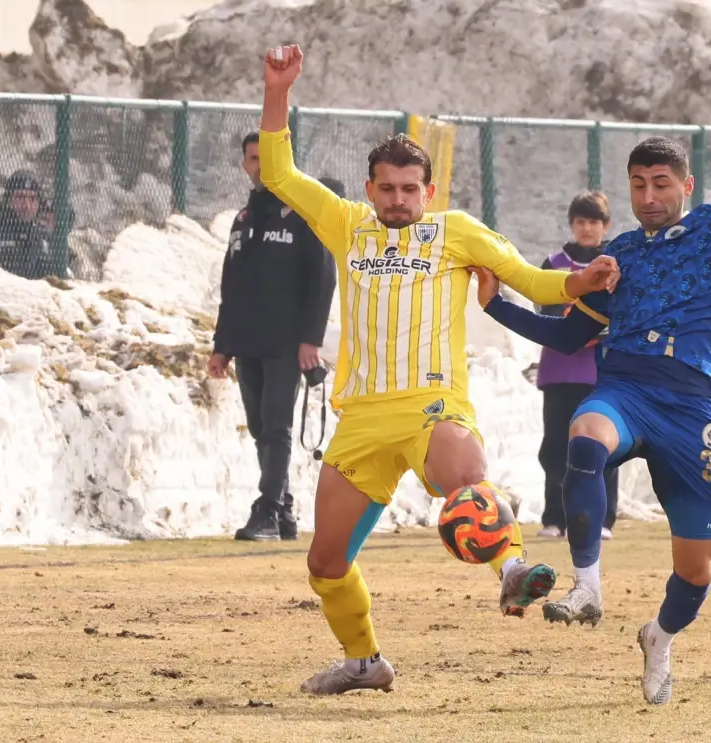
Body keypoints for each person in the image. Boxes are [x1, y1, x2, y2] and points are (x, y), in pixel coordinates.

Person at [256, 44, 620, 697]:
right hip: (362, 418)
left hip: (433, 405)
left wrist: (581, 280)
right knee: (325, 562)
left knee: (463, 471)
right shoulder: (345, 225)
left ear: (429, 190)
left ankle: (512, 566)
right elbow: (279, 173)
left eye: (409, 189)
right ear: (370, 190)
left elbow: (531, 278)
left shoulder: (455, 232)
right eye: (387, 189)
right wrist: (278, 91)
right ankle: (365, 661)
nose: (398, 199)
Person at [470, 130, 711, 705]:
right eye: (637, 184)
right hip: (625, 389)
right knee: (584, 436)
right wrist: (494, 304)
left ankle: (659, 637)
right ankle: (588, 587)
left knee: (697, 570)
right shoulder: (619, 256)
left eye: (660, 184)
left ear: (686, 184)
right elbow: (568, 334)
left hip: (687, 406)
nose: (649, 195)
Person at [209, 132, 339, 542]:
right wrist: (222, 346)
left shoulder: (304, 212)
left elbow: (323, 278)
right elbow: (232, 287)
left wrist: (310, 341)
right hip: (247, 340)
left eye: (268, 158)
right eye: (253, 159)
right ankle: (283, 506)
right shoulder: (243, 220)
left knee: (278, 425)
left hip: (287, 343)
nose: (261, 166)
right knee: (259, 426)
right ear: (245, 164)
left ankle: (266, 509)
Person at [533, 190, 620, 540]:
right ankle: (555, 517)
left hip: (602, 369)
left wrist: (590, 331)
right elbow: (546, 309)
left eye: (594, 221)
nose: (587, 228)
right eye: (581, 221)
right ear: (571, 224)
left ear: (606, 225)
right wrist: (572, 328)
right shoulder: (553, 264)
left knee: (603, 444)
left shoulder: (617, 264)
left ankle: (601, 519)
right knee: (556, 446)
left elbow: (620, 313)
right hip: (559, 370)